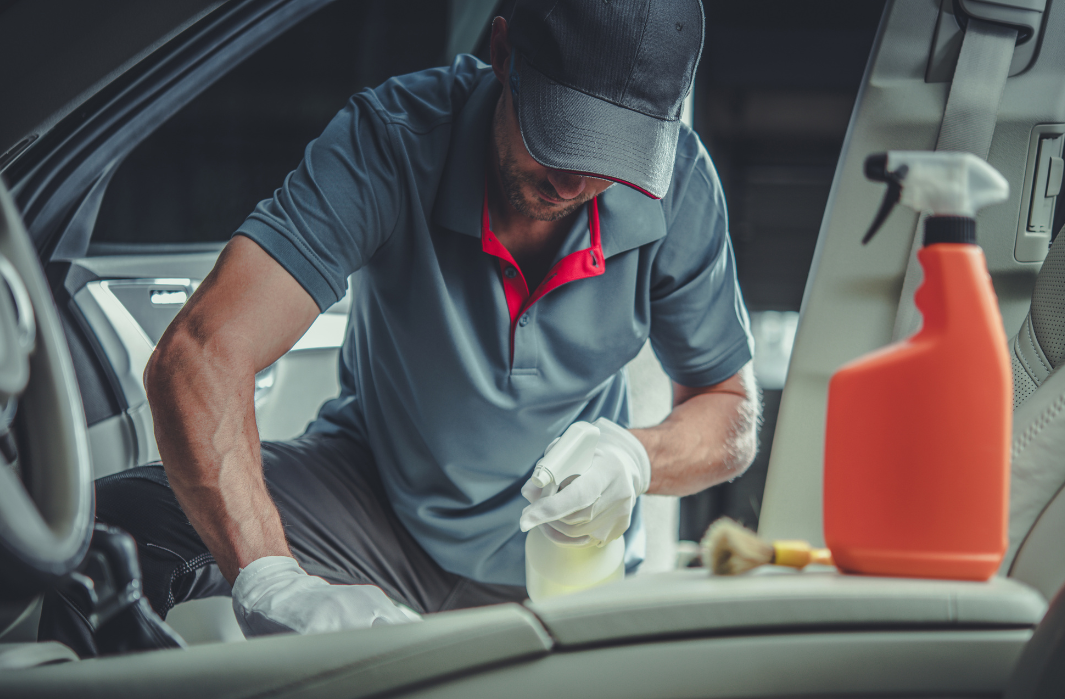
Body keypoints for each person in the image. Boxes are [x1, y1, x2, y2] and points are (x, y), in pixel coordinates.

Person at [41, 0, 758, 652]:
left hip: (563, 558)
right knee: (104, 534)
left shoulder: (681, 191)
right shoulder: (394, 140)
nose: (575, 182)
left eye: (611, 157)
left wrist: (632, 457)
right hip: (374, 504)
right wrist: (270, 579)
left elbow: (731, 412)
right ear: (504, 54)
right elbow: (198, 355)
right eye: (560, 136)